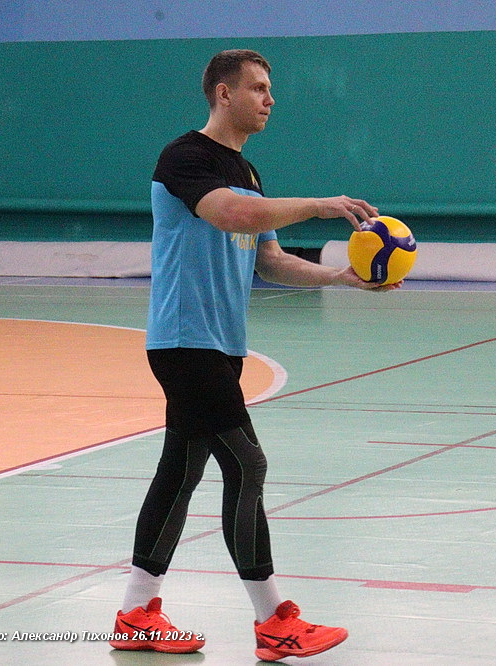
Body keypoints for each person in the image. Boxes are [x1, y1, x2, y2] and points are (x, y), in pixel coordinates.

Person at [109, 49, 397, 662]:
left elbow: (268, 260)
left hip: (221, 345)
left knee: (182, 471)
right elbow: (229, 214)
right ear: (223, 93)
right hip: (185, 342)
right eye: (258, 88)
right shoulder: (184, 158)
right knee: (247, 464)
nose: (270, 99)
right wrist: (319, 205)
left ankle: (135, 613)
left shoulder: (247, 170)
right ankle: (273, 621)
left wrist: (341, 278)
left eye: (270, 89)